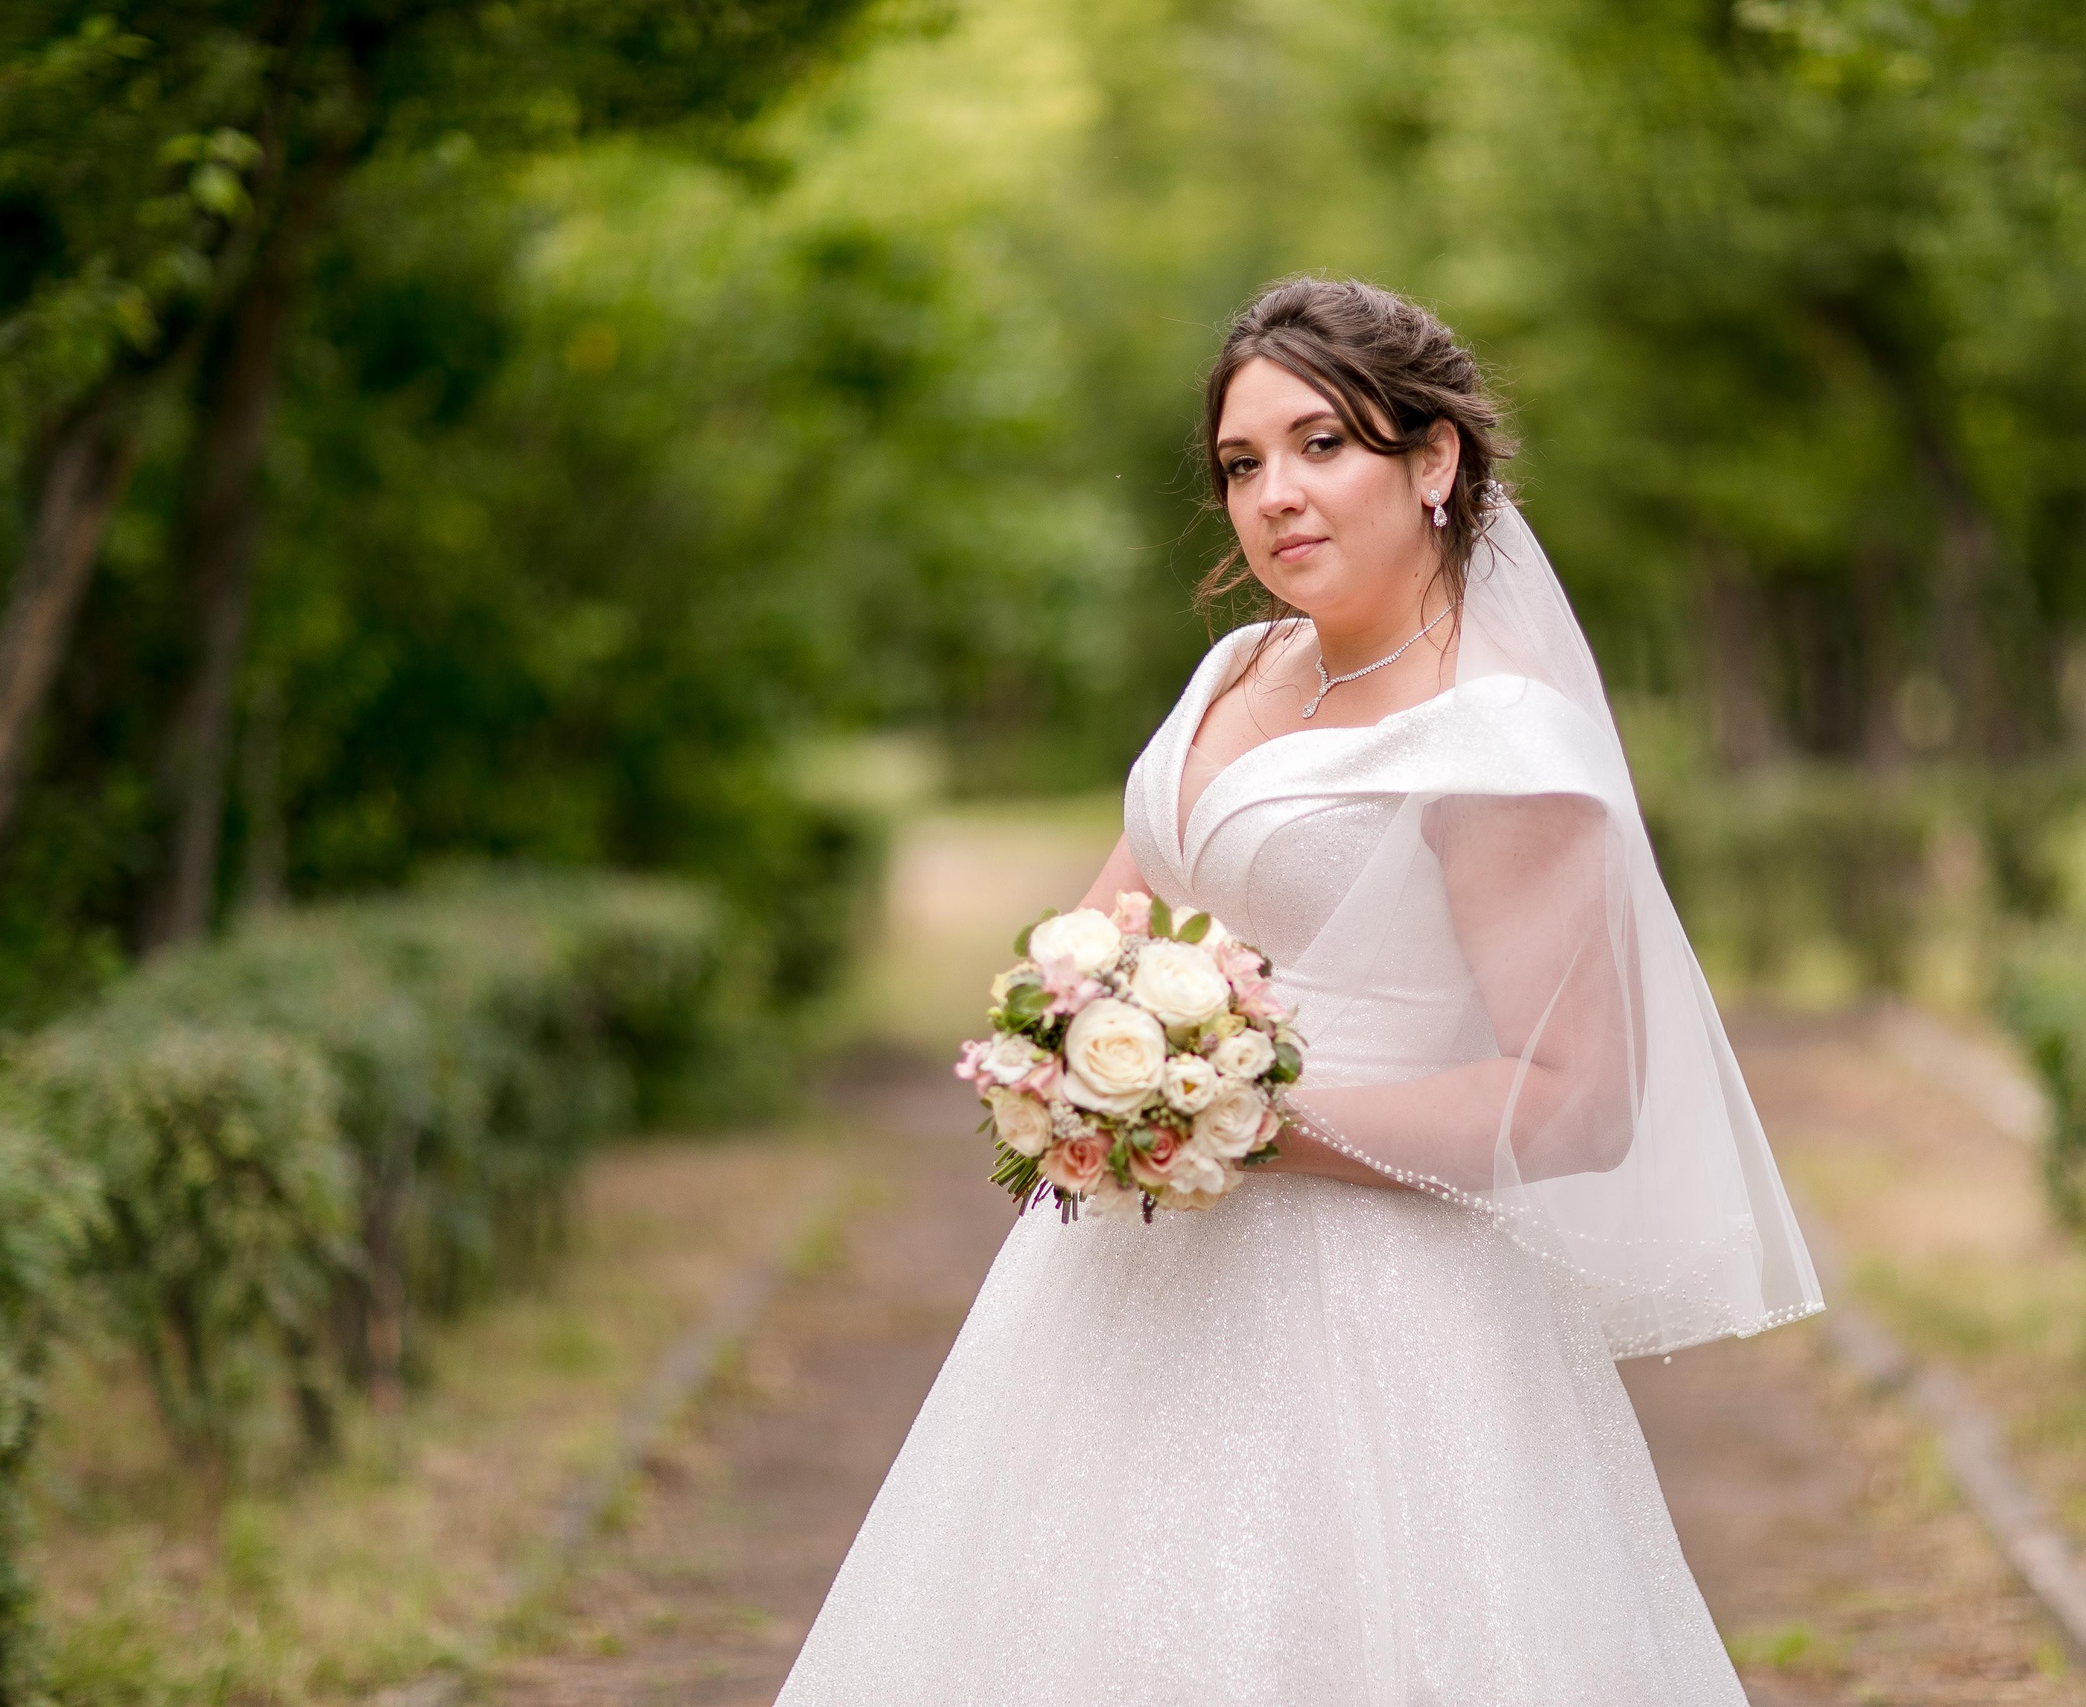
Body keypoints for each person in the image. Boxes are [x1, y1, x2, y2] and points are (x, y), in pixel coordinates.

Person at [772, 275, 1823, 1706]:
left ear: (1433, 460)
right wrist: (1063, 1065)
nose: (1276, 495)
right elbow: (1102, 929)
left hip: (1384, 1312)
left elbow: (1577, 1104)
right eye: (1242, 464)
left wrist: (1244, 1121)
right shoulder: (1239, 666)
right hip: (1122, 1277)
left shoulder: (1498, 742)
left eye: (1323, 444)